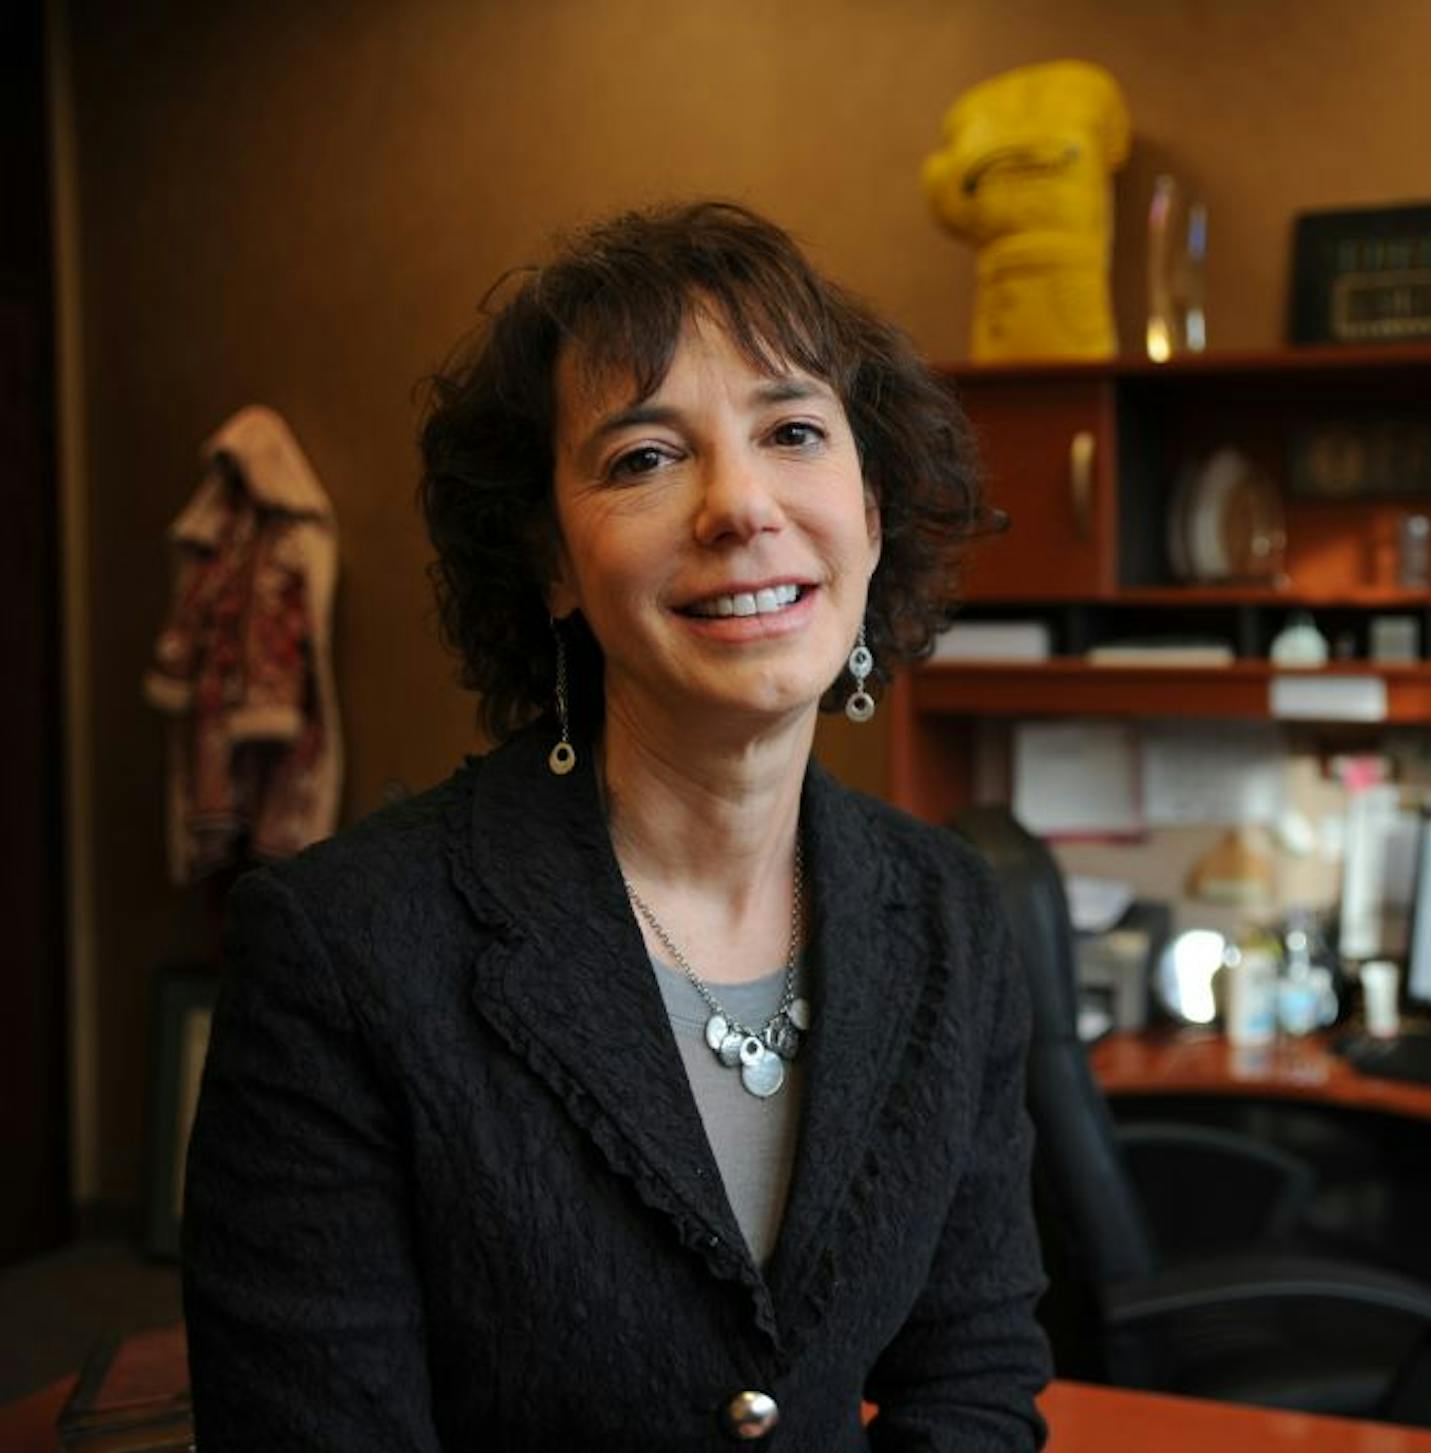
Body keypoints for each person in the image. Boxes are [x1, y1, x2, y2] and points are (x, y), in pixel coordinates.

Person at [182, 201, 1052, 1451]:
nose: (739, 505)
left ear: (870, 511)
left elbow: (974, 1370)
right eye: (644, 457)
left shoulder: (950, 913)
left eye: (795, 431)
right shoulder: (342, 951)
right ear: (550, 559)